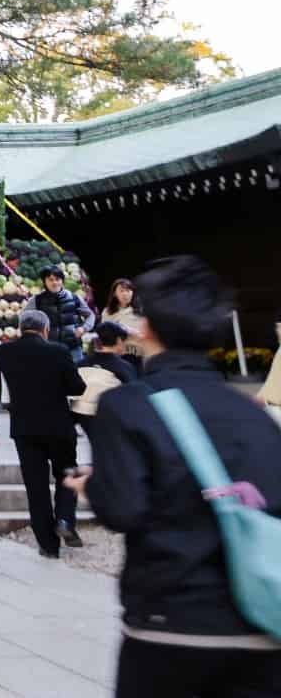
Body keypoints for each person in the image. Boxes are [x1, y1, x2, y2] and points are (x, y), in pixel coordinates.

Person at [69, 255, 281, 698]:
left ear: (144, 329)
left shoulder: (128, 406)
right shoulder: (252, 415)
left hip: (170, 626)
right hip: (260, 628)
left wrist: (91, 486)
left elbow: (124, 509)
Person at [0, 309, 87, 557]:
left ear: (20, 328)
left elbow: (2, 392)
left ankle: (48, 545)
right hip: (58, 425)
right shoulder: (58, 351)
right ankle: (65, 519)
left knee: (36, 487)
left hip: (24, 428)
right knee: (67, 473)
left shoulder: (4, 352)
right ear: (45, 329)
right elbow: (77, 387)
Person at [25, 266, 95, 360]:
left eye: (57, 279)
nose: (55, 283)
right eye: (51, 280)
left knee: (75, 373)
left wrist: (84, 328)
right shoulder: (37, 300)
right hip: (47, 349)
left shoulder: (74, 298)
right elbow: (24, 319)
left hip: (73, 348)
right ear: (44, 282)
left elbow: (90, 315)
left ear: (62, 281)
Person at [100, 277, 144, 356]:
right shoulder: (107, 312)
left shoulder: (141, 310)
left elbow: (147, 334)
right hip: (117, 354)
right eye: (121, 291)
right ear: (114, 294)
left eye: (128, 290)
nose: (125, 294)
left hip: (138, 353)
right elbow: (104, 333)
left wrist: (129, 330)